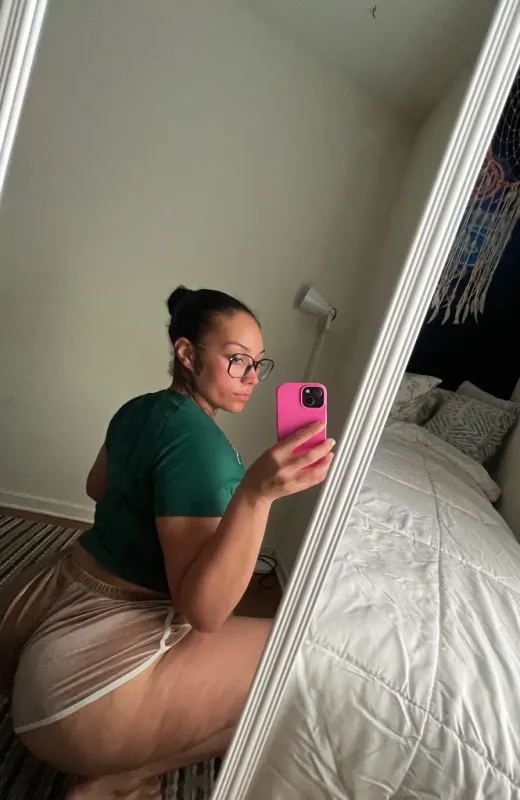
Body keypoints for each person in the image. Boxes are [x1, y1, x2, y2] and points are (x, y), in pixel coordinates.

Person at [0, 286, 335, 799]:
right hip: (77, 701)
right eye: (237, 360)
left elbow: (96, 486)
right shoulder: (207, 451)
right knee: (303, 656)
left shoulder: (137, 408)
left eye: (258, 364)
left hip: (32, 612)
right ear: (187, 353)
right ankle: (121, 778)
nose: (251, 378)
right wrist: (256, 495)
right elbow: (205, 612)